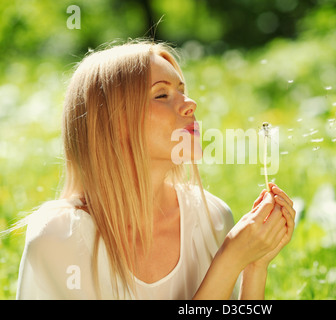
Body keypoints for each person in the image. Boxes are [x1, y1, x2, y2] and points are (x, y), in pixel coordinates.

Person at [15, 40, 296, 299]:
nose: (190, 104)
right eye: (162, 95)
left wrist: (254, 266)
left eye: (182, 91)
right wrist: (230, 260)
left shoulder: (211, 217)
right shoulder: (60, 236)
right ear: (111, 122)